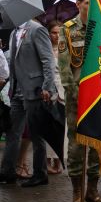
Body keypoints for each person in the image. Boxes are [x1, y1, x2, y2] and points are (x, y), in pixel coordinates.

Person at [58, 0, 101, 202]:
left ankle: (92, 190)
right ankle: (77, 191)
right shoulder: (68, 29)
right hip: (78, 96)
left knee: (96, 141)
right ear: (78, 4)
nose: (91, 8)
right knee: (76, 145)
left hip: (99, 95)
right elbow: (64, 66)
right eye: (87, 3)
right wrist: (73, 93)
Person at [0, 18, 57, 187]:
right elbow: (13, 63)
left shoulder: (37, 29)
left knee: (36, 133)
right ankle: (8, 171)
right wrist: (11, 87)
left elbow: (48, 60)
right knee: (13, 131)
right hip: (17, 90)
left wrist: (47, 87)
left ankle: (40, 174)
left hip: (35, 89)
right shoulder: (14, 32)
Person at [46, 21, 65, 175]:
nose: (57, 36)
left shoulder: (66, 49)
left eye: (59, 32)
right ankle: (47, 161)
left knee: (61, 127)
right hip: (47, 90)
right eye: (54, 32)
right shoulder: (44, 48)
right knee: (48, 126)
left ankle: (58, 159)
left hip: (63, 91)